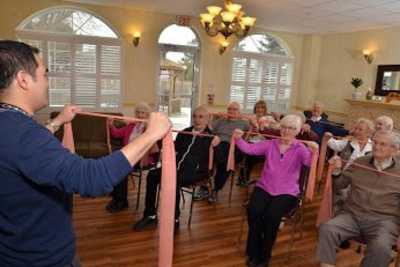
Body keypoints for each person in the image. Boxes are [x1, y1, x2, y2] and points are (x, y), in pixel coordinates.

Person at [0, 40, 171, 267]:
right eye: (44, 74)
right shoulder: (23, 134)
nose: (47, 82)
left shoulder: (10, 125)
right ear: (23, 80)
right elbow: (92, 178)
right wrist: (150, 135)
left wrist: (58, 121)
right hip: (41, 258)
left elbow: (23, 149)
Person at [233, 114, 318, 267]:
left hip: (287, 192)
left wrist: (314, 152)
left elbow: (309, 163)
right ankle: (253, 251)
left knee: (272, 217)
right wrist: (238, 138)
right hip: (264, 187)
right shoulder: (270, 144)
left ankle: (264, 256)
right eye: (284, 127)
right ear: (280, 128)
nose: (286, 131)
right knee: (253, 211)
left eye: (291, 128)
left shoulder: (300, 148)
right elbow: (249, 149)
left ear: (297, 131)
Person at [317, 130, 400, 267]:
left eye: (383, 144)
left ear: (394, 149)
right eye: (375, 142)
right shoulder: (360, 162)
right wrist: (337, 170)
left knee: (381, 247)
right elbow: (339, 185)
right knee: (327, 229)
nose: (376, 147)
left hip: (384, 221)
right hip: (352, 215)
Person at [133, 106, 215, 231]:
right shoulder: (185, 132)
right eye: (195, 116)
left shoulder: (212, 137)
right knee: (152, 175)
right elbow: (172, 149)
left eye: (201, 117)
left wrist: (218, 143)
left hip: (197, 172)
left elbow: (218, 159)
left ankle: (174, 219)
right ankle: (150, 215)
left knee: (173, 181)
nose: (197, 119)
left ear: (208, 119)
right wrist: (160, 136)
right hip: (175, 169)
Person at [106, 102, 152, 213]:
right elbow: (117, 134)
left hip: (141, 158)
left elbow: (149, 140)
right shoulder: (132, 125)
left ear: (147, 115)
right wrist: (111, 125)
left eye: (143, 113)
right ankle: (117, 197)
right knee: (115, 163)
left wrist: (146, 126)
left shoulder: (149, 128)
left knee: (120, 168)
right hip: (128, 155)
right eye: (138, 113)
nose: (140, 115)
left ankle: (122, 201)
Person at [209, 101, 250, 202]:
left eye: (234, 109)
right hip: (219, 145)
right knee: (224, 162)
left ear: (239, 112)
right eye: (229, 109)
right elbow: (209, 129)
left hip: (235, 147)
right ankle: (213, 188)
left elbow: (252, 132)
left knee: (225, 162)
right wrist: (213, 118)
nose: (231, 111)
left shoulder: (244, 123)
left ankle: (213, 187)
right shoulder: (221, 120)